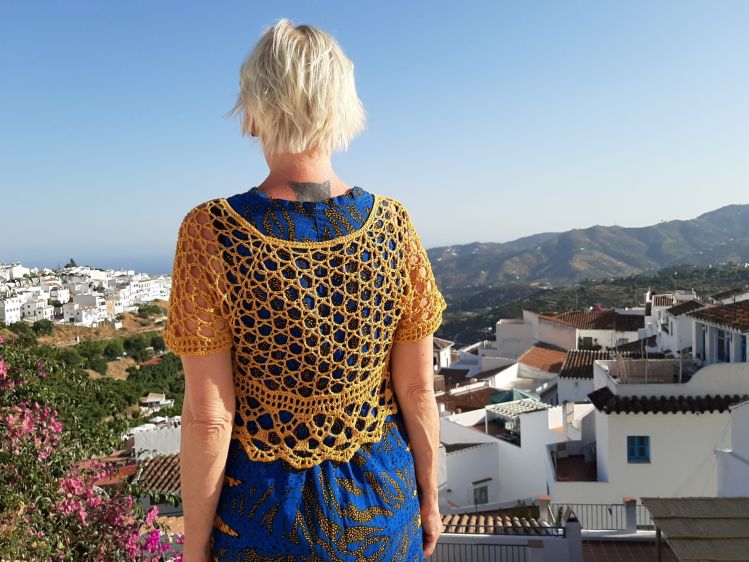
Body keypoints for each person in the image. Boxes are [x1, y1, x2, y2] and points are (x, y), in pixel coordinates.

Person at [164, 19, 447, 562]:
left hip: (265, 522)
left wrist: (195, 549)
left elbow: (209, 417)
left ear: (253, 111)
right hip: (386, 511)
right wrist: (429, 500)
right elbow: (416, 391)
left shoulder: (210, 232)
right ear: (343, 107)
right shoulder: (392, 226)